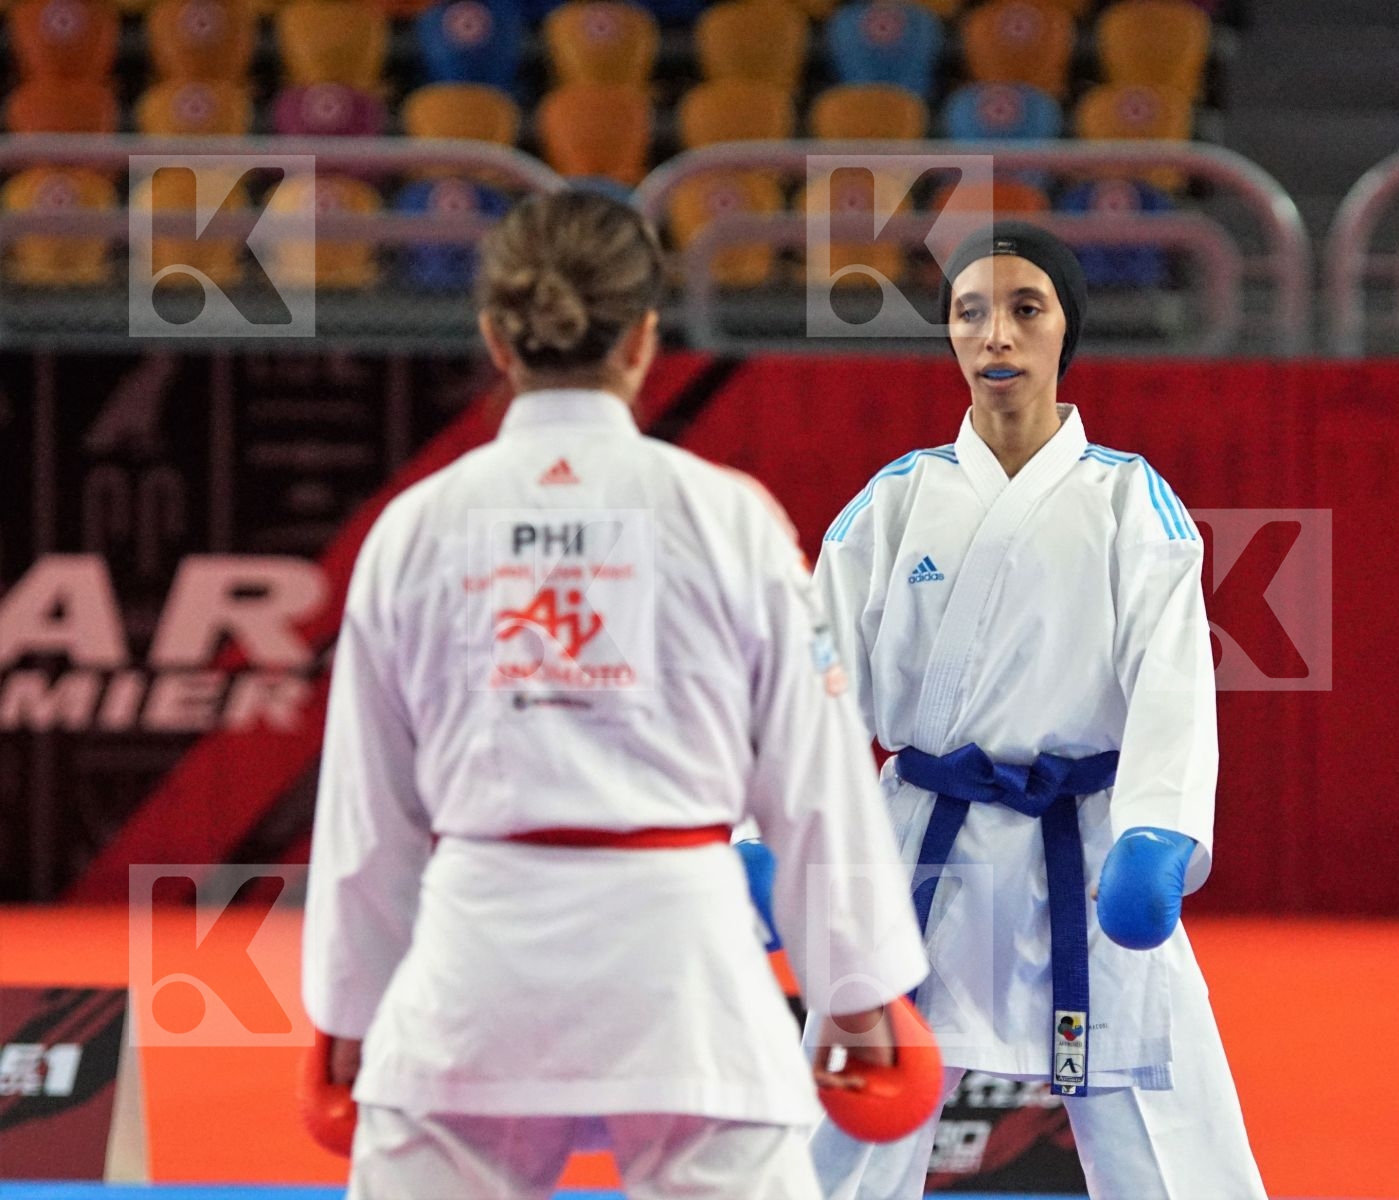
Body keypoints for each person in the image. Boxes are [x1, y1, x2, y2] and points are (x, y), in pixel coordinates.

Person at [300, 190, 930, 1200]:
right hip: (685, 976)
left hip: (473, 977)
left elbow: (369, 816)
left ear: (496, 343)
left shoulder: (414, 529)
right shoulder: (728, 518)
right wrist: (860, 999)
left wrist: (349, 1017)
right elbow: (815, 789)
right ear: (643, 339)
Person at [806, 222, 1267, 1198]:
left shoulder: (1130, 502)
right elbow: (816, 687)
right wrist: (784, 829)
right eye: (970, 313)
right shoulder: (895, 502)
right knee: (848, 1108)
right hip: (924, 838)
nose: (996, 336)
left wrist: (1158, 832)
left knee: (1161, 1093)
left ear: (1066, 332)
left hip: (1087, 839)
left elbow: (1172, 681)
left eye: (1025, 309)